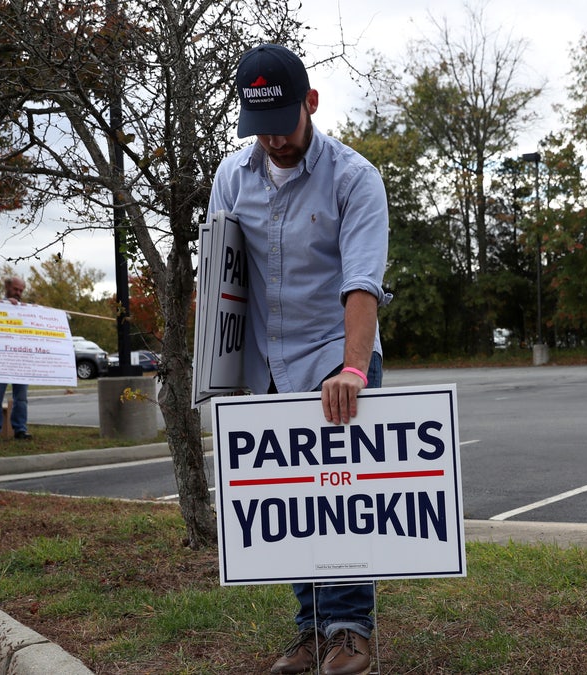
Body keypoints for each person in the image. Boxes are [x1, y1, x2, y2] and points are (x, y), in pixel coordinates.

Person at [208, 43, 391, 675]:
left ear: (310, 103)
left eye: (282, 124)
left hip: (335, 357)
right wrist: (216, 373)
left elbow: (362, 282)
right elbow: (222, 285)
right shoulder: (231, 178)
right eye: (258, 128)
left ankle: (351, 630)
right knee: (288, 506)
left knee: (340, 501)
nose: (272, 140)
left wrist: (353, 368)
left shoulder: (354, 177)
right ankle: (310, 629)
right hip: (264, 366)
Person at [0, 276, 33, 441]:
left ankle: (20, 429)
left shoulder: (25, 309)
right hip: (0, 360)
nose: (18, 293)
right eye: (16, 289)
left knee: (21, 397)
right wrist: (5, 305)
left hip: (20, 360)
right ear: (7, 288)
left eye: (21, 290)